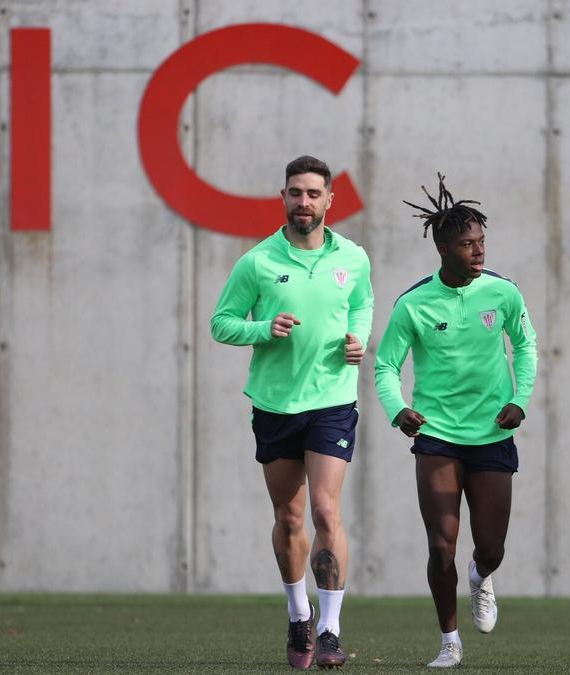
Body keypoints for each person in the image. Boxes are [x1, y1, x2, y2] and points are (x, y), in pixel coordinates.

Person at [210, 155, 373, 670]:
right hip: (276, 405)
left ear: (329, 200)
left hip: (332, 400)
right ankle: (298, 612)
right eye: (295, 193)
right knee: (289, 516)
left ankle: (329, 630)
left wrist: (359, 339)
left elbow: (364, 303)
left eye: (312, 194)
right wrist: (263, 329)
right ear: (283, 198)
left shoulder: (353, 257)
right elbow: (221, 323)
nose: (303, 202)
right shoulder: (257, 261)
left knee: (326, 512)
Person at [374, 174, 537, 669]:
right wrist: (397, 410)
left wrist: (521, 398)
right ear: (442, 247)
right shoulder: (413, 303)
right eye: (467, 244)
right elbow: (385, 366)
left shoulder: (504, 293)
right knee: (441, 543)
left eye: (482, 242)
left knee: (491, 546)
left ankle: (482, 576)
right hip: (438, 438)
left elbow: (526, 347)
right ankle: (449, 641)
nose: (479, 252)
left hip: (491, 435)